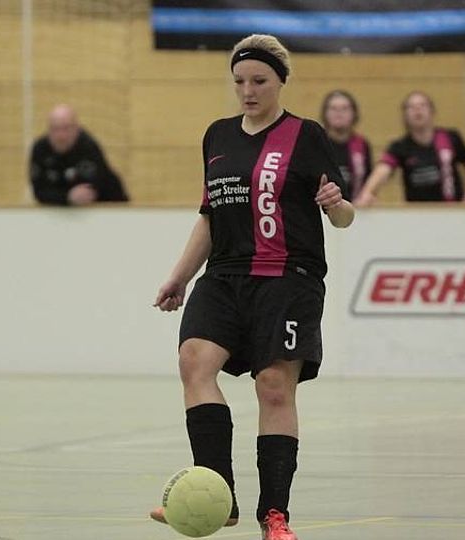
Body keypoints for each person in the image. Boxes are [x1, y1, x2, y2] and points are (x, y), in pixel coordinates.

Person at [149, 34, 354, 540]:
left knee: (274, 386)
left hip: (287, 278)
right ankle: (218, 496)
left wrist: (336, 204)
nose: (248, 91)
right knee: (194, 361)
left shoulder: (305, 135)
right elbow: (209, 216)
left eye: (259, 81)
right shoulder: (218, 136)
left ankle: (275, 515)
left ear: (280, 81)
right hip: (223, 275)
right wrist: (180, 276)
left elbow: (343, 217)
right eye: (240, 81)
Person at [354, 91, 465, 205]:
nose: (417, 110)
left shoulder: (451, 137)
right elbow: (383, 170)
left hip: (452, 209)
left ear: (432, 111)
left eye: (423, 105)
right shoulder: (400, 146)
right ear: (405, 115)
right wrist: (367, 192)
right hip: (416, 212)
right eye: (411, 107)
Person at [28, 104, 129, 205]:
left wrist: (62, 197)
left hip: (110, 205)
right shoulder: (40, 149)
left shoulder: (88, 147)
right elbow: (39, 192)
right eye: (55, 129)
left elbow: (87, 193)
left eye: (66, 128)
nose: (61, 136)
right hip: (60, 209)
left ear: (76, 129)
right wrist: (67, 197)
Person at [320, 90, 372, 199]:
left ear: (354, 113)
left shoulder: (361, 145)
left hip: (356, 205)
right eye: (333, 108)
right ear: (325, 113)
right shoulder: (317, 142)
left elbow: (367, 181)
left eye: (345, 108)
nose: (339, 113)